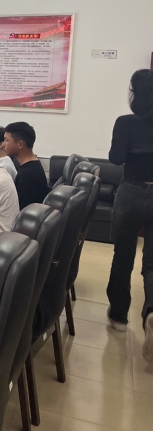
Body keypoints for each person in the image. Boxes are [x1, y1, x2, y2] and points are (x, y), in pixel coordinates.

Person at [105, 69, 153, 357]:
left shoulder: (125, 122)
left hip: (132, 191)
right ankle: (151, 312)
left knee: (123, 255)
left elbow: (115, 158)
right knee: (152, 262)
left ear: (134, 93)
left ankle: (119, 316)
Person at [4, 122, 49, 209]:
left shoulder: (28, 175)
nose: (3, 144)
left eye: (6, 140)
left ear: (20, 144)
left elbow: (22, 210)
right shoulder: (30, 166)